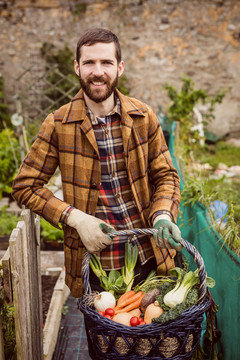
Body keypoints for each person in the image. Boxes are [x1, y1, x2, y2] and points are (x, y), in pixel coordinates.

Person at [12, 28, 181, 298]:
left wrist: (162, 215)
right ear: (77, 68)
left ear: (120, 68)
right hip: (99, 266)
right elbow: (25, 186)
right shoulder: (58, 124)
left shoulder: (143, 116)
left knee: (156, 337)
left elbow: (167, 176)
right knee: (107, 341)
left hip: (152, 256)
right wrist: (76, 219)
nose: (98, 71)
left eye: (107, 62)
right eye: (89, 62)